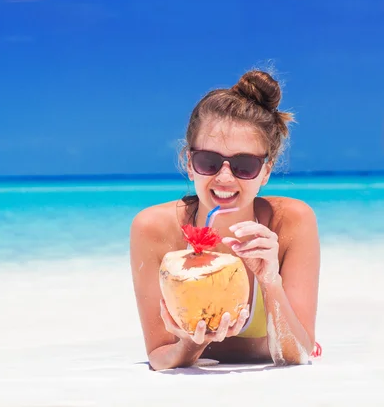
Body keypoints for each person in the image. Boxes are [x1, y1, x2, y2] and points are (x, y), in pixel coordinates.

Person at [129, 69, 321, 370]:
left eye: (245, 165)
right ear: (189, 164)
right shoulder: (154, 229)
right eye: (209, 162)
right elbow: (160, 356)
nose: (225, 177)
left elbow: (298, 354)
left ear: (266, 171)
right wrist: (193, 343)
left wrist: (270, 280)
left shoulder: (290, 223)